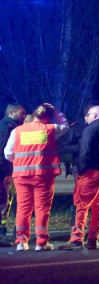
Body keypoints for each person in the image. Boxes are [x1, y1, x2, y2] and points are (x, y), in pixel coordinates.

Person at [3, 103, 69, 251]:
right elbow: (65, 125)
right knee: (42, 208)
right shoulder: (51, 129)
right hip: (43, 176)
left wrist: (19, 161)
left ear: (33, 115)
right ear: (48, 117)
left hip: (21, 175)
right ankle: (41, 242)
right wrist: (57, 111)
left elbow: (7, 153)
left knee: (23, 208)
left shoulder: (18, 130)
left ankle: (21, 242)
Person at [59, 105, 99, 250]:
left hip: (91, 172)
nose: (86, 118)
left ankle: (76, 238)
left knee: (81, 205)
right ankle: (93, 238)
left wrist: (81, 169)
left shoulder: (90, 130)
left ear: (94, 115)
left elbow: (85, 152)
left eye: (88, 115)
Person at [0, 103, 26, 246]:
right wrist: (7, 173)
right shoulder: (7, 127)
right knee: (2, 203)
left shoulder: (9, 126)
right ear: (11, 112)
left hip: (4, 171)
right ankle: (1, 235)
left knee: (5, 203)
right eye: (21, 113)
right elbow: (2, 151)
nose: (23, 116)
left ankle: (2, 233)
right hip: (3, 171)